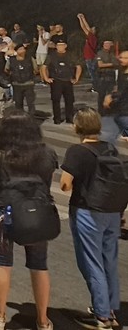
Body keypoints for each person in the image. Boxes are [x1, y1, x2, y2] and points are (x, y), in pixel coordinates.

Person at [0, 110, 57, 330]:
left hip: (4, 211)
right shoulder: (48, 153)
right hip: (38, 212)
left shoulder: (1, 155)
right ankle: (43, 320)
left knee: (2, 262)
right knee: (39, 265)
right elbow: (46, 182)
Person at [60, 108, 122, 329]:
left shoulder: (77, 151)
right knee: (109, 262)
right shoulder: (110, 148)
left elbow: (65, 185)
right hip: (113, 212)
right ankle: (112, 310)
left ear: (77, 127)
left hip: (88, 211)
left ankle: (102, 316)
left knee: (92, 262)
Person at [41, 38, 81, 125]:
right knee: (56, 100)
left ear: (65, 46)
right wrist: (46, 78)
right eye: (58, 45)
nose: (60, 47)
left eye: (62, 45)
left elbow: (78, 66)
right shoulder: (51, 55)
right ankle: (57, 119)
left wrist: (76, 78)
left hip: (68, 81)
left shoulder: (71, 55)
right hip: (56, 81)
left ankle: (69, 118)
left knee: (69, 100)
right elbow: (44, 67)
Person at [8, 43, 37, 115]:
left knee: (30, 103)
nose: (22, 51)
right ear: (16, 51)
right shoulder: (11, 60)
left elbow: (36, 70)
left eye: (23, 49)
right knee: (18, 104)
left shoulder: (30, 58)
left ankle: (31, 119)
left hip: (28, 83)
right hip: (16, 84)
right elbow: (6, 69)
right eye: (20, 49)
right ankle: (19, 120)